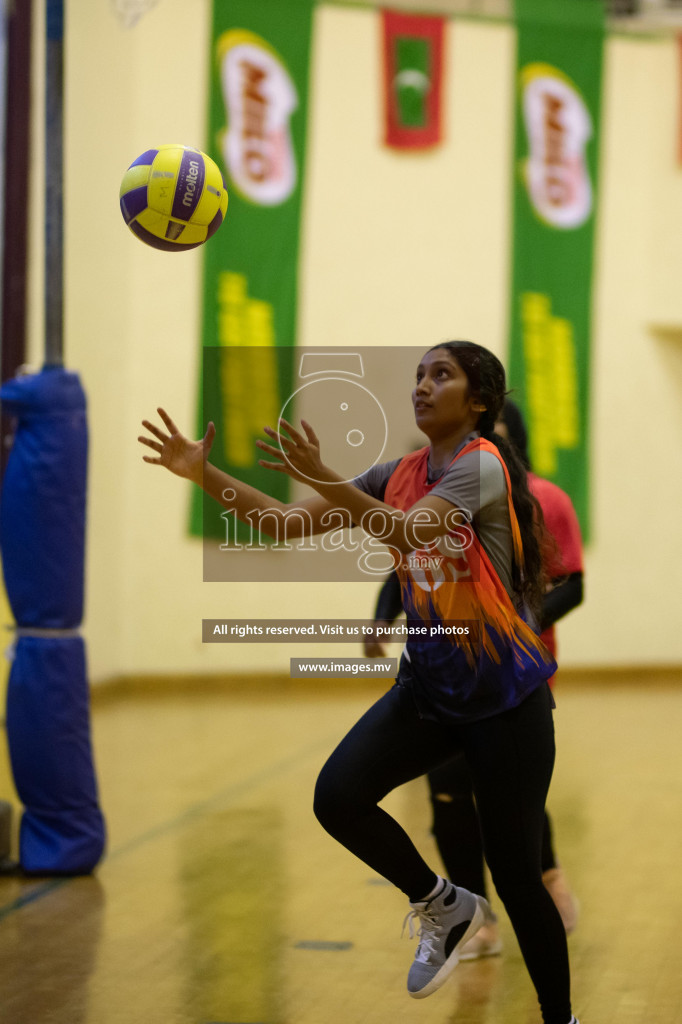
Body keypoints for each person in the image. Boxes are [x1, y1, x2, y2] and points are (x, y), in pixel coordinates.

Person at [138, 340, 579, 1024]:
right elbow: (281, 524)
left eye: (443, 375)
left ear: (481, 401)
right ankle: (444, 904)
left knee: (518, 877)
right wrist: (205, 476)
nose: (423, 386)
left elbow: (407, 535)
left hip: (505, 701)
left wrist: (328, 476)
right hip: (430, 690)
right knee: (337, 797)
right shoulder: (396, 470)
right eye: (419, 375)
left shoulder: (482, 465)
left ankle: (563, 1019)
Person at [364, 398, 584, 959]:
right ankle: (475, 917)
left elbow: (572, 584)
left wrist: (512, 625)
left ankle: (547, 875)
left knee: (505, 795)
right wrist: (380, 619)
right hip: (441, 674)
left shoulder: (545, 499)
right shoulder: (428, 491)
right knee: (448, 790)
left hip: (513, 673)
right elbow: (410, 557)